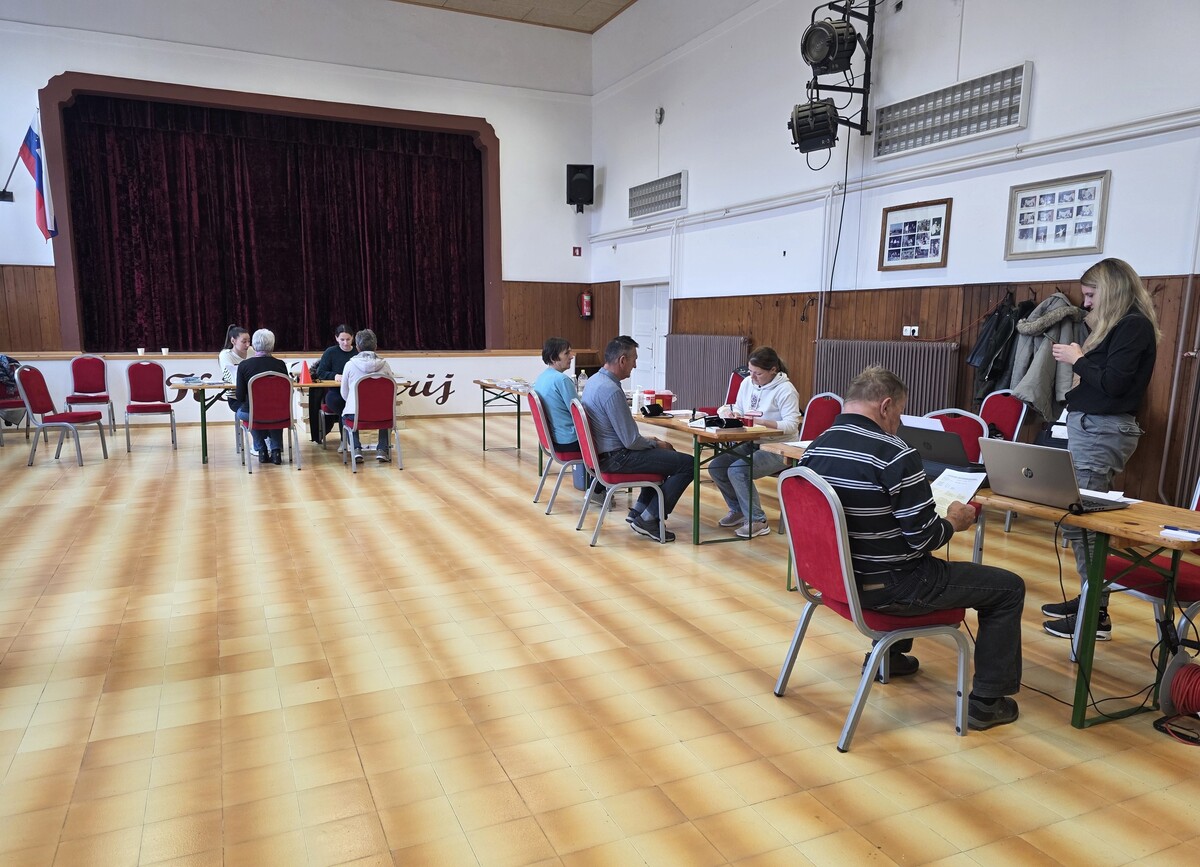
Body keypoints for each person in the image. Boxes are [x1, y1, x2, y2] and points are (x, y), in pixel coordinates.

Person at [799, 366, 1026, 731]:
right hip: (891, 590)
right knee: (1008, 588)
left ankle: (890, 657)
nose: (899, 422)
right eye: (900, 413)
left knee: (894, 548)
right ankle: (988, 702)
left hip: (835, 581)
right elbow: (925, 538)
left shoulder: (816, 446)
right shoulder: (895, 454)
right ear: (885, 406)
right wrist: (954, 521)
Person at [1044, 258, 1162, 640]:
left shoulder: (1134, 326)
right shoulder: (1118, 326)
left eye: (1091, 295)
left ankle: (1095, 613)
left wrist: (1078, 359)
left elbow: (1113, 383)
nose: (1087, 303)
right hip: (1092, 429)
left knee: (1085, 522)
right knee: (1079, 520)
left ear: (1111, 290)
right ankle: (1089, 597)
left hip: (1102, 431)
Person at [580, 336, 693, 543]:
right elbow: (631, 442)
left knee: (664, 456)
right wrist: (656, 443)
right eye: (634, 359)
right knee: (688, 464)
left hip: (604, 456)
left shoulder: (594, 381)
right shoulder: (611, 391)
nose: (635, 365)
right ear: (622, 360)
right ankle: (649, 518)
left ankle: (640, 512)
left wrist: (651, 442)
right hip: (617, 458)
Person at [707, 346, 801, 537]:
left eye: (758, 373)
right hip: (753, 440)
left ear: (773, 370)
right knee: (716, 466)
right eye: (750, 371)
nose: (752, 377)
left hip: (780, 447)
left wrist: (762, 422)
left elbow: (792, 425)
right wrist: (733, 413)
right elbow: (739, 407)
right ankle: (739, 510)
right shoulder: (747, 383)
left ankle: (758, 520)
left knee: (738, 470)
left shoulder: (786, 390)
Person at [234, 328, 289, 465]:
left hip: (254, 413)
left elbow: (239, 396)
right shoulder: (281, 365)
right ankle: (276, 451)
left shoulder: (244, 365)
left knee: (246, 412)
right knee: (273, 412)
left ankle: (261, 450)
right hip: (279, 413)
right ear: (272, 345)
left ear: (254, 345)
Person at [341, 329, 396, 463]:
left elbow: (344, 393)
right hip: (382, 415)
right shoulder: (385, 365)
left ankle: (356, 449)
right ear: (375, 346)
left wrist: (354, 403)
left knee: (346, 414)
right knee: (385, 411)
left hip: (356, 415)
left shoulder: (350, 365)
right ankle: (382, 450)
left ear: (357, 347)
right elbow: (392, 390)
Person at [311, 324, 358, 442]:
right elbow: (320, 372)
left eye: (348, 339)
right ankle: (347, 441)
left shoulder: (357, 352)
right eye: (342, 340)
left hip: (355, 393)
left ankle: (350, 442)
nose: (345, 343)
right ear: (336, 338)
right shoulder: (330, 352)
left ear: (353, 338)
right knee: (343, 407)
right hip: (335, 392)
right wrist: (334, 376)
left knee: (350, 405)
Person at [219, 325, 250, 414]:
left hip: (253, 396)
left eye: (249, 341)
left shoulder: (252, 351)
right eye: (244, 342)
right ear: (233, 341)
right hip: (236, 398)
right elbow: (232, 378)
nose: (247, 345)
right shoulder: (226, 355)